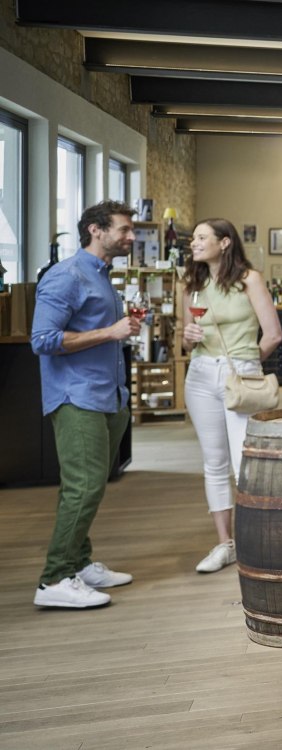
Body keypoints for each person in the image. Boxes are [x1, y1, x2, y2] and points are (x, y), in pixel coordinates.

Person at [29, 201, 141, 608]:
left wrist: (118, 330)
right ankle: (54, 579)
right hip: (76, 398)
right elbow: (42, 340)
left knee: (86, 488)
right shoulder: (67, 275)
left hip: (107, 396)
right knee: (84, 488)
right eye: (124, 229)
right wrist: (110, 332)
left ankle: (77, 562)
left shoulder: (101, 276)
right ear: (96, 230)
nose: (131, 237)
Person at [179, 218, 282, 573]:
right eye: (194, 238)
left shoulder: (249, 280)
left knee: (244, 462)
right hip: (199, 375)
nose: (194, 243)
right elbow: (185, 340)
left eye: (202, 237)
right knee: (214, 462)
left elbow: (273, 334)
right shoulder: (191, 284)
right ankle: (225, 544)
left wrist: (245, 365)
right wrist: (187, 338)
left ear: (224, 242)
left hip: (239, 373)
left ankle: (253, 540)